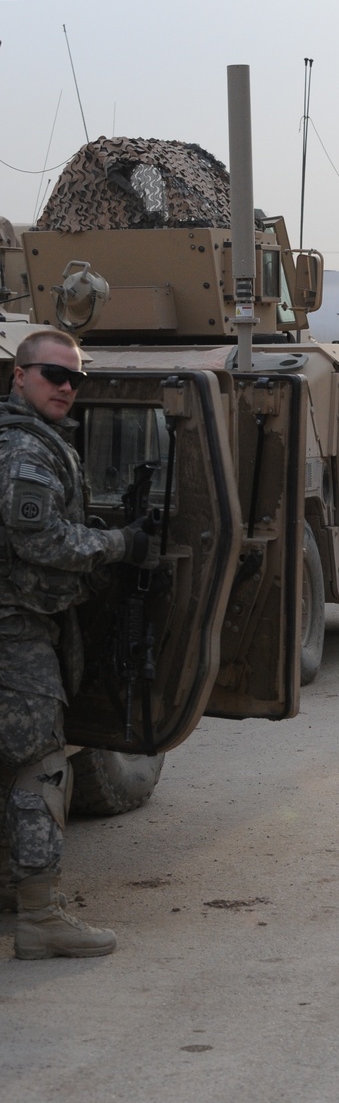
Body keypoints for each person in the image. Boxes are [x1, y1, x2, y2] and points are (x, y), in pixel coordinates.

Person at [0, 330, 157, 959]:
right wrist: (119, 546)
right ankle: (40, 916)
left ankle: (16, 883)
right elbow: (38, 543)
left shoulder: (33, 444)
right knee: (41, 763)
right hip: (15, 627)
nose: (66, 387)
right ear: (19, 376)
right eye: (52, 375)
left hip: (25, 621)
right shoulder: (22, 451)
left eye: (75, 379)